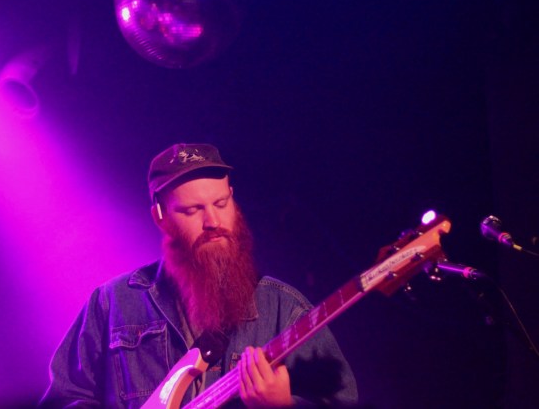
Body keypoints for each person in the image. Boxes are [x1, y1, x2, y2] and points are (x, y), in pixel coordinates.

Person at [40, 143, 357, 408]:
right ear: (161, 217)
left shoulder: (283, 308)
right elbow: (65, 398)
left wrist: (284, 406)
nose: (213, 221)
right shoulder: (113, 303)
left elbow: (342, 401)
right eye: (192, 210)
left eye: (221, 203)